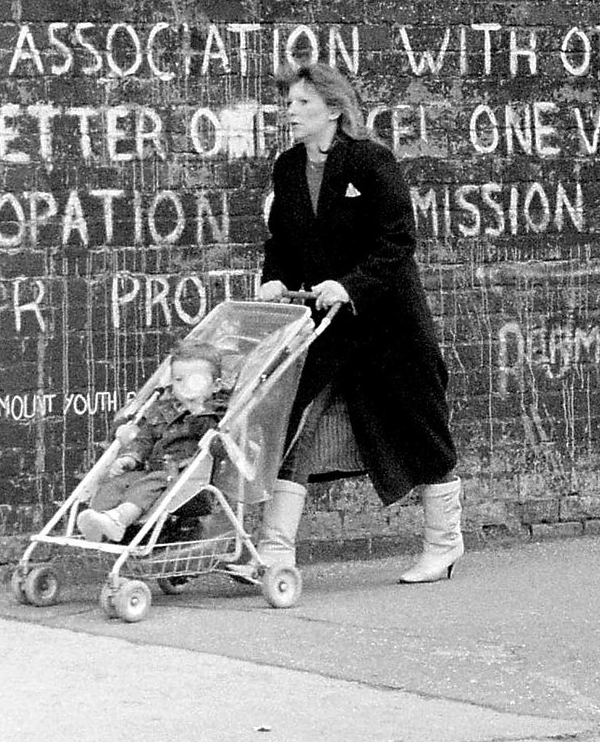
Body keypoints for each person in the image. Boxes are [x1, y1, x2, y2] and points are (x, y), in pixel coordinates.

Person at [253, 63, 463, 583]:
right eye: (290, 103)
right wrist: (274, 280)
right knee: (294, 422)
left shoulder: (371, 161)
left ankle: (444, 545)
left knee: (419, 427)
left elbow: (396, 241)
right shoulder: (286, 168)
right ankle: (274, 554)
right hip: (326, 326)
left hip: (389, 325)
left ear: (334, 109)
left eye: (303, 104)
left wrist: (350, 286)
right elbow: (281, 242)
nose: (291, 112)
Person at [75, 340, 229, 542]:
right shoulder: (163, 410)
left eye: (195, 381)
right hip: (149, 469)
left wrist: (198, 409)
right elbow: (145, 438)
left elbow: (213, 439)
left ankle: (119, 519)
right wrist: (131, 457)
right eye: (179, 380)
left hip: (183, 477)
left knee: (147, 485)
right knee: (115, 484)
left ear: (215, 385)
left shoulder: (213, 415)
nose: (185, 387)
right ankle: (98, 522)